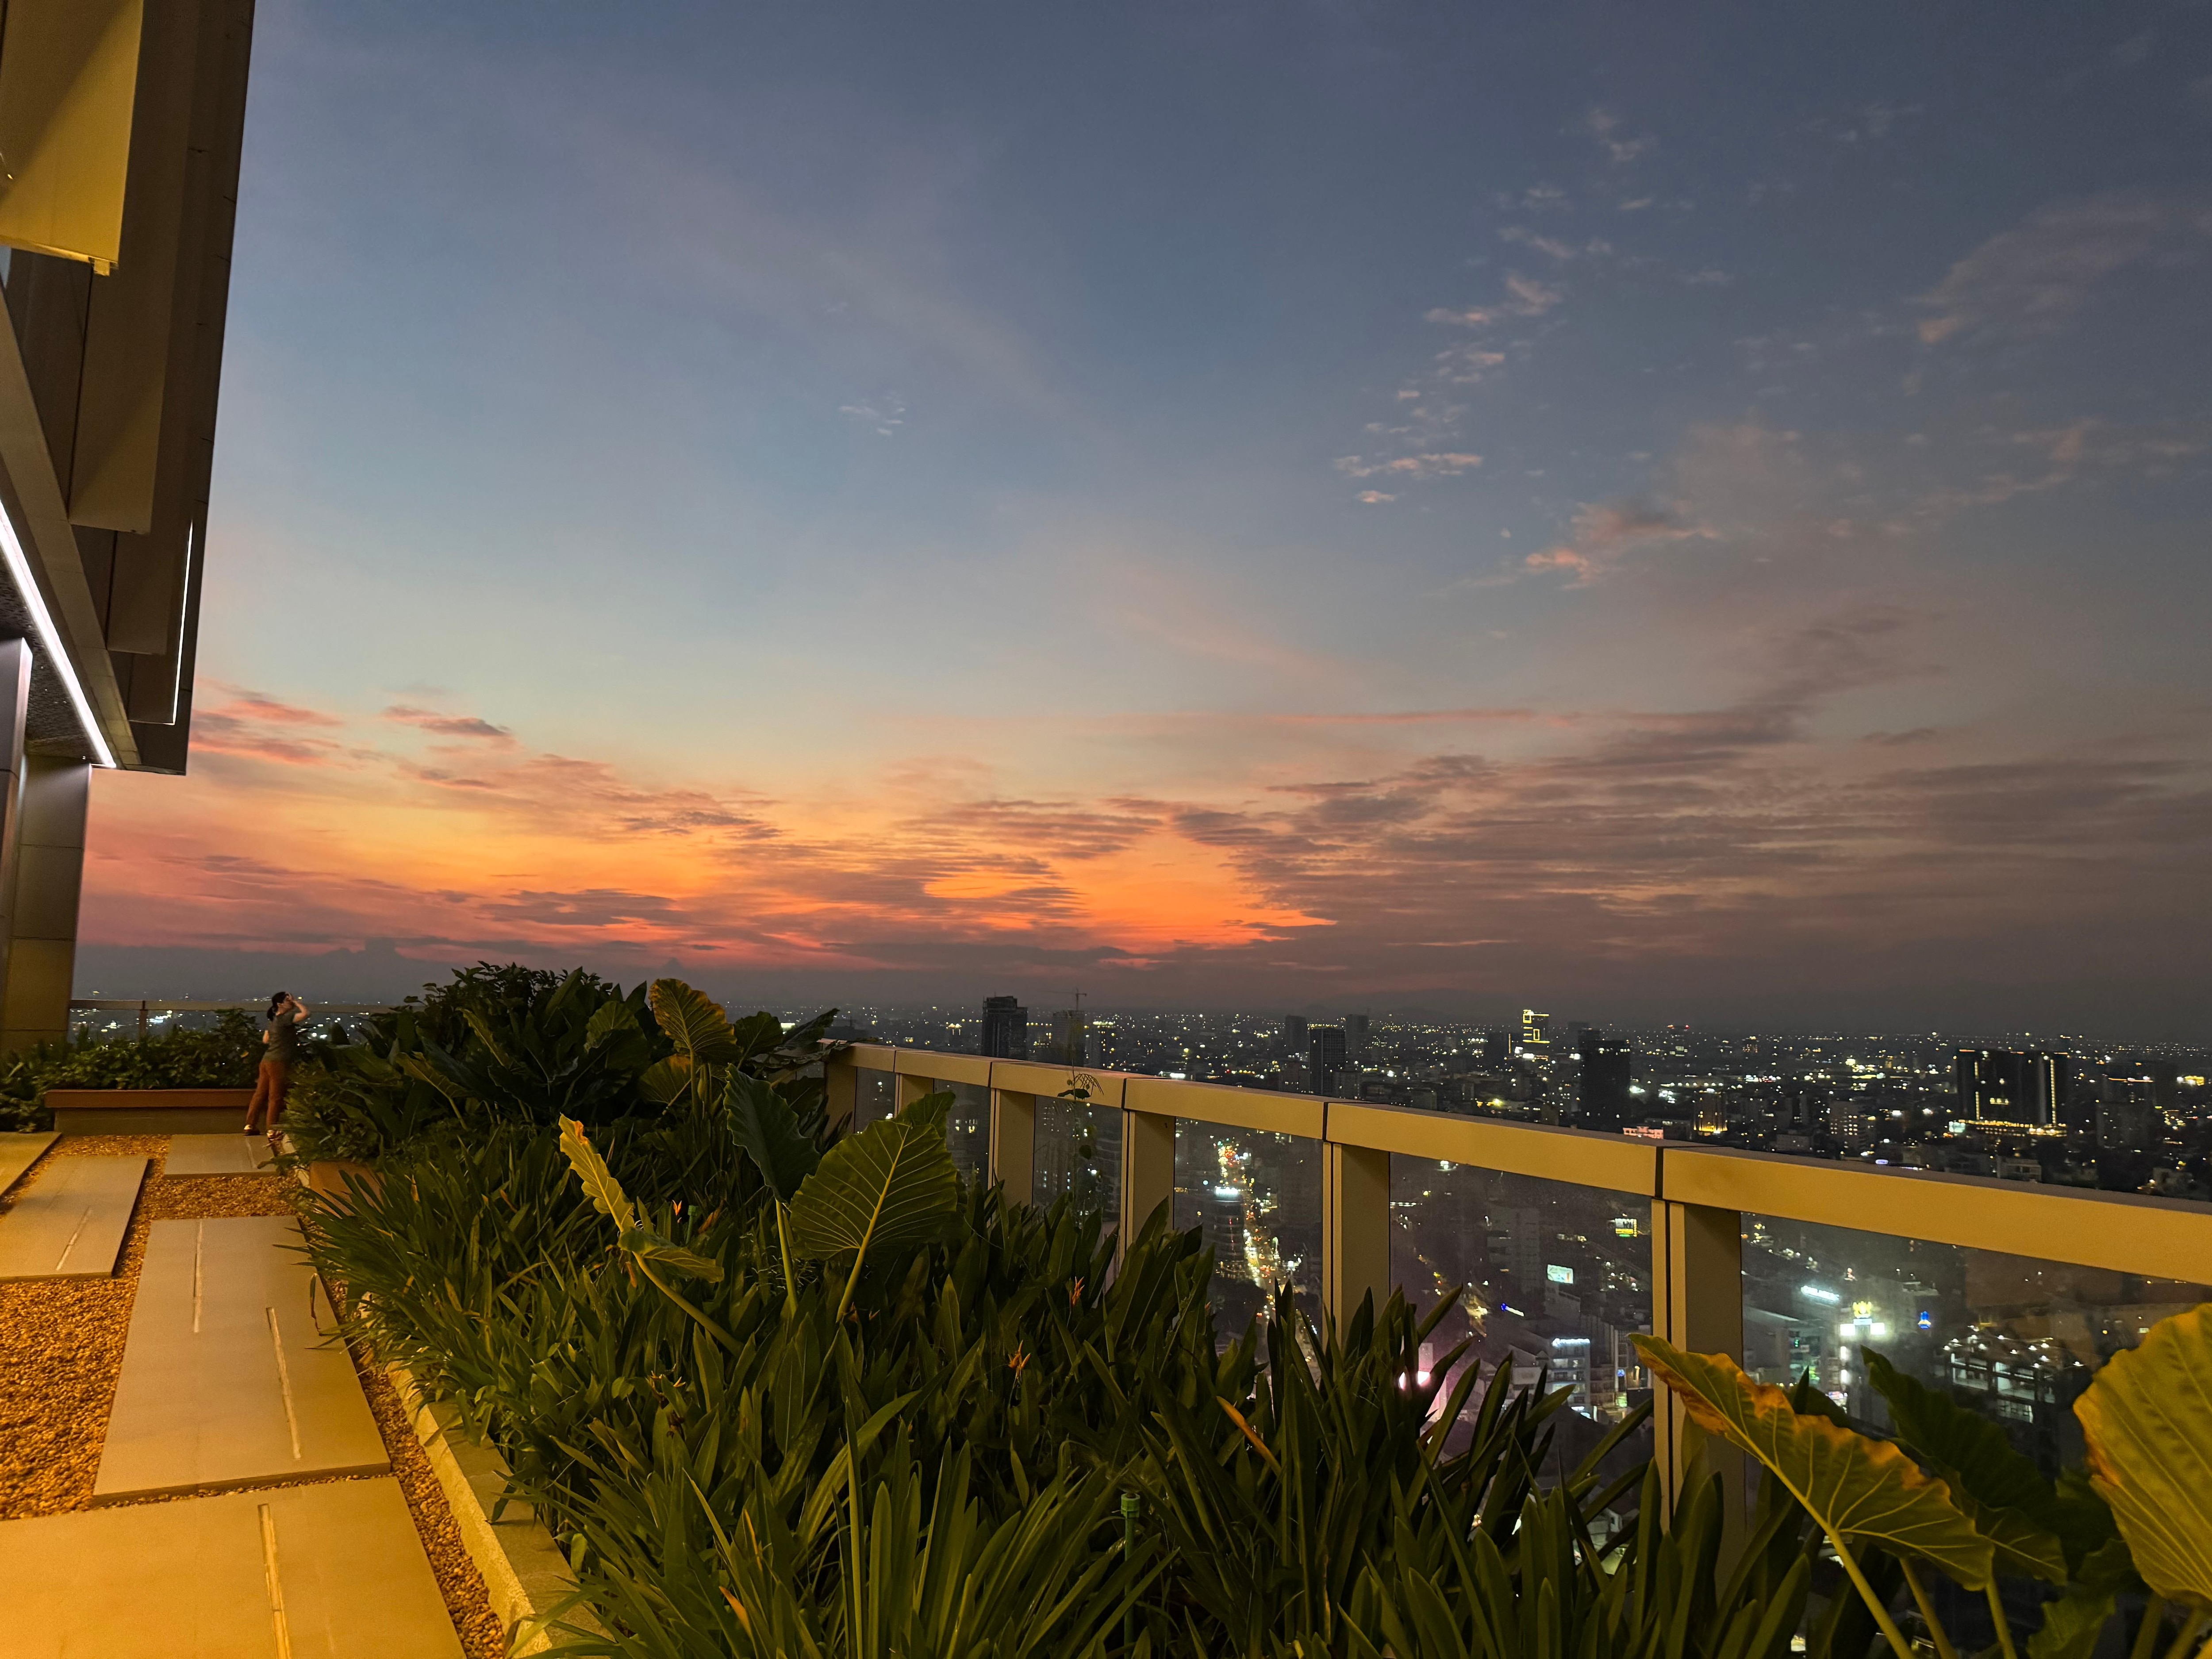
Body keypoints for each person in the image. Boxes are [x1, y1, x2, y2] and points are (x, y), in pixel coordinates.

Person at [244, 991, 310, 1144]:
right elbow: (306, 1014)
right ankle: (272, 1130)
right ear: (280, 1004)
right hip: (278, 1062)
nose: (291, 1003)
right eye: (288, 1001)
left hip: (266, 1060)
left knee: (260, 1094)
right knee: (275, 1096)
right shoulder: (285, 1018)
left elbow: (266, 1040)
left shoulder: (273, 1021)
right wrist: (297, 1003)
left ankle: (250, 1125)